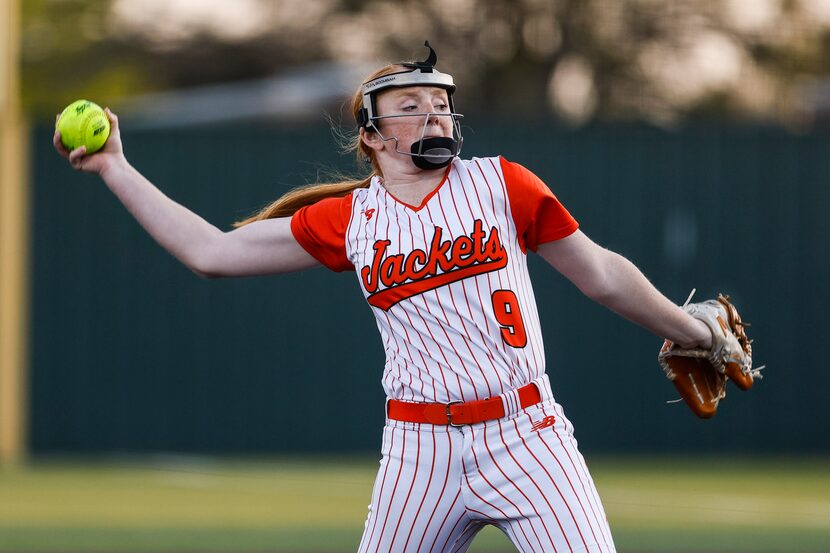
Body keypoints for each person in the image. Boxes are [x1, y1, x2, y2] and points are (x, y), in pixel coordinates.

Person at [55, 42, 712, 553]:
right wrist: (114, 165)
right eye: (410, 102)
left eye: (439, 98)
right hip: (418, 448)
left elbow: (600, 272)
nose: (431, 109)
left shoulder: (501, 184)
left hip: (527, 433)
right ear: (371, 134)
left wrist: (696, 330)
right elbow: (212, 253)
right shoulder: (354, 219)